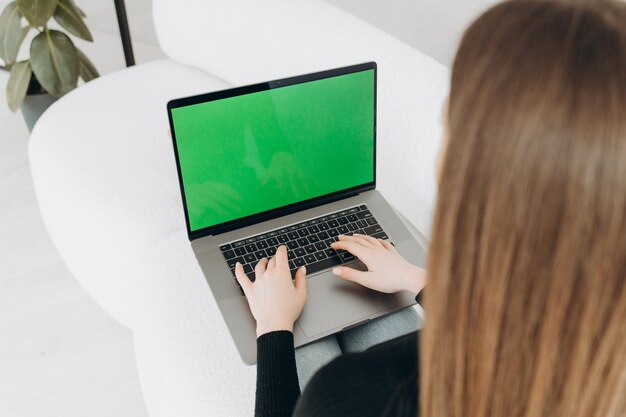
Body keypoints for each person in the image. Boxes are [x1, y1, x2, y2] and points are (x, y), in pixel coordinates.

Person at [233, 0, 626, 416]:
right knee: (365, 305)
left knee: (311, 333)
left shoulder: (350, 394)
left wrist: (274, 329)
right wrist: (416, 278)